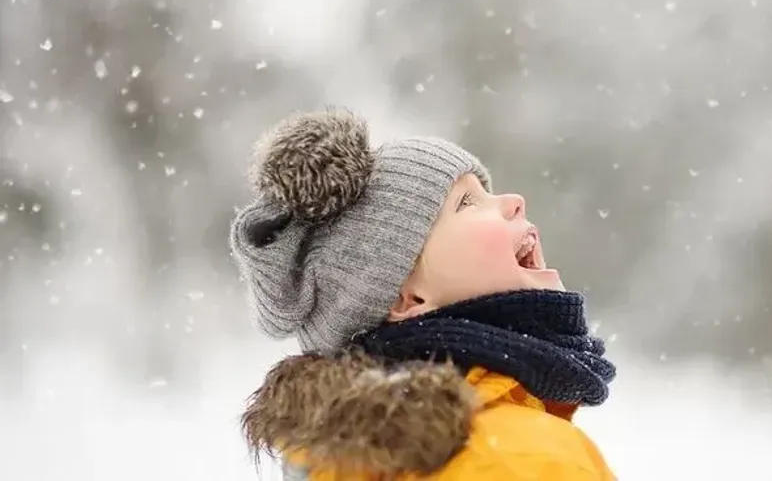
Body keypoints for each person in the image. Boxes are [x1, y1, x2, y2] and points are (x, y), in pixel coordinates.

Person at [229, 107, 616, 480]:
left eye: (485, 192)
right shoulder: (520, 460)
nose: (515, 201)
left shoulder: (353, 463)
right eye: (467, 202)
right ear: (406, 300)